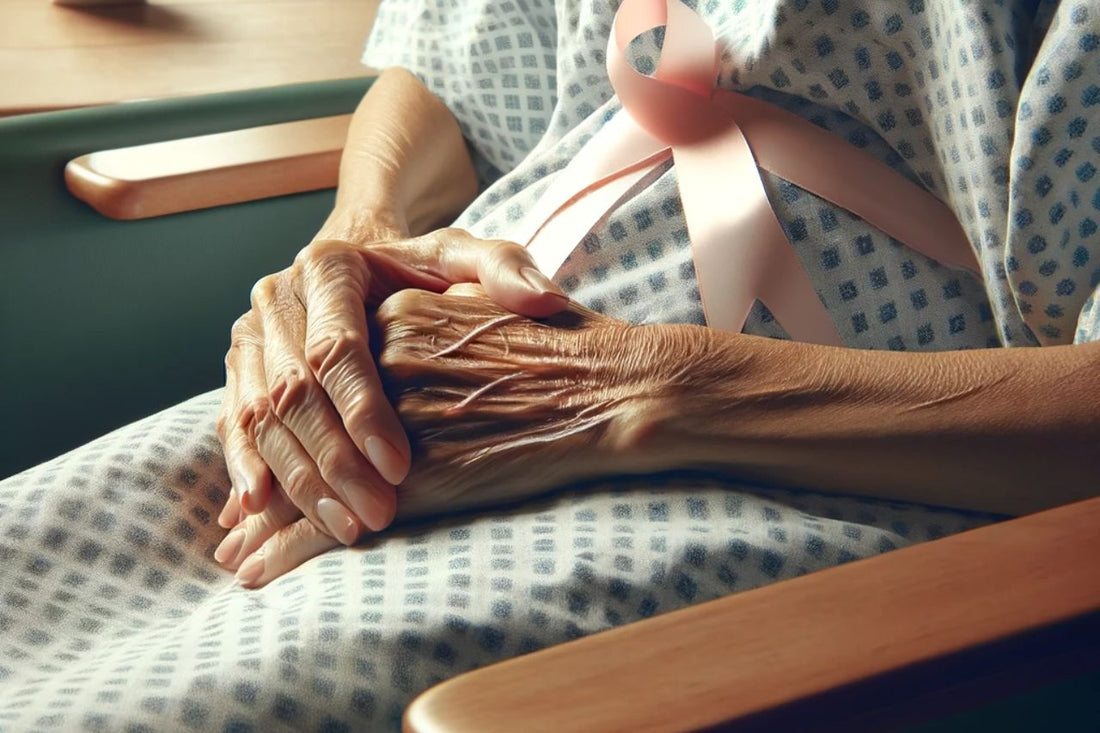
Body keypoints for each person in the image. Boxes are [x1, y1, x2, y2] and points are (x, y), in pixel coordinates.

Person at [1, 1, 1096, 730]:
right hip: (439, 362)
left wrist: (629, 388)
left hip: (832, 453)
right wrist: (355, 243)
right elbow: (459, 69)